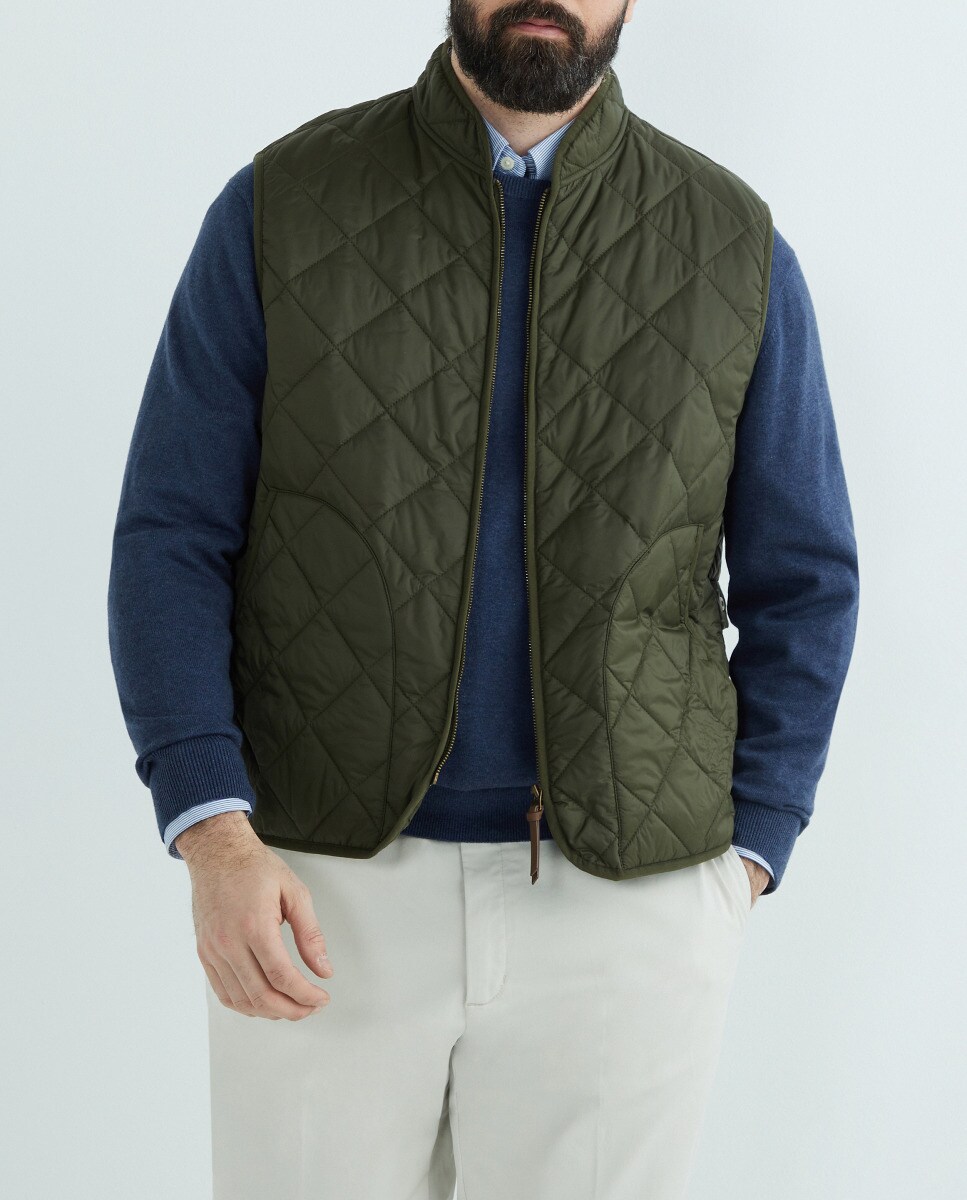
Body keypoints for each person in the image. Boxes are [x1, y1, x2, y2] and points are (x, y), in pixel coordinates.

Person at [107, 3, 860, 1196]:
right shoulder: (279, 207)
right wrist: (213, 836)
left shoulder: (732, 244)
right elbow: (171, 536)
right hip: (317, 884)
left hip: (629, 908)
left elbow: (805, 578)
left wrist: (747, 856)